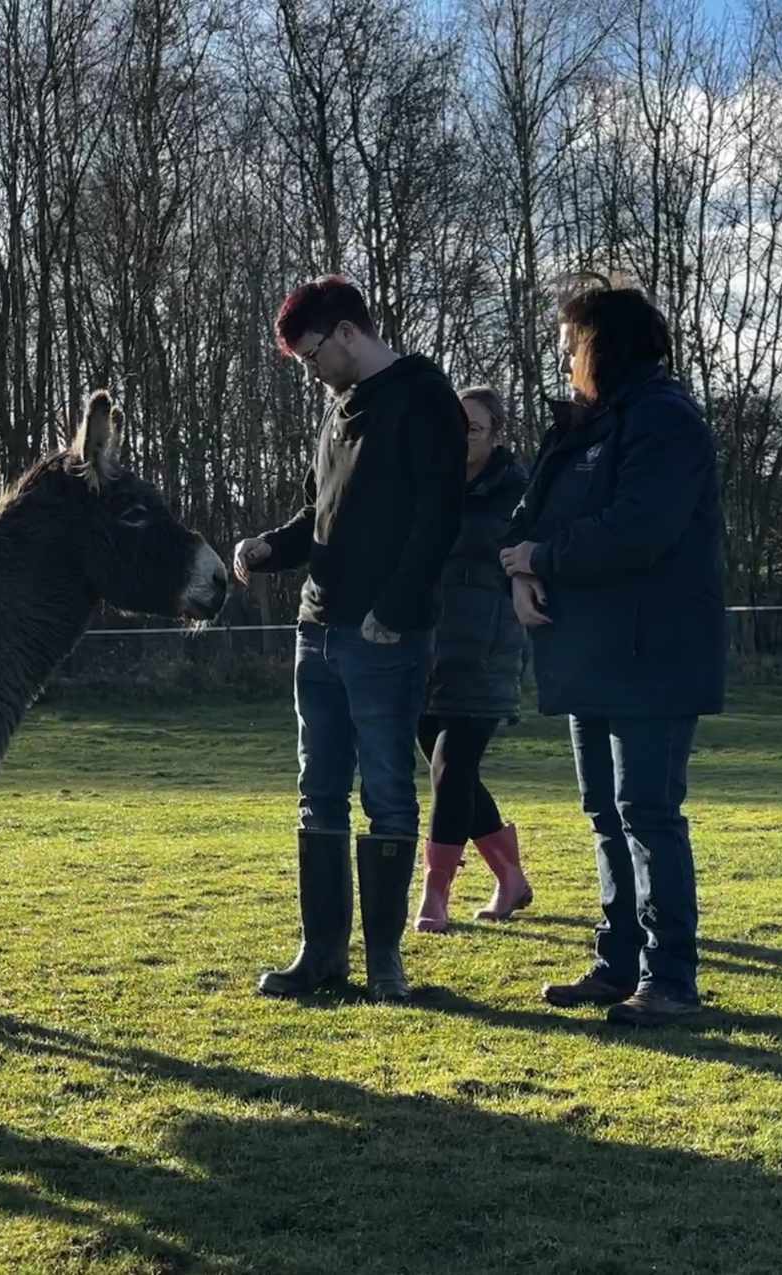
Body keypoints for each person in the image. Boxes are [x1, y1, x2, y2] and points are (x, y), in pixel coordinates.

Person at [233, 275, 466, 1003]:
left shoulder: (425, 395)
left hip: (385, 637)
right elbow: (319, 515)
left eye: (311, 357)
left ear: (345, 332)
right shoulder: (337, 412)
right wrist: (269, 547)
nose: (312, 373)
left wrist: (394, 610)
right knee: (318, 793)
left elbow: (439, 516)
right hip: (318, 631)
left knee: (390, 793)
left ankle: (385, 961)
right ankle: (321, 955)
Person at [499, 284, 725, 1026]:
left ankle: (672, 979)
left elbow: (637, 530)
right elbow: (527, 520)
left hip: (651, 653)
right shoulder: (588, 426)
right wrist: (525, 569)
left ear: (601, 342)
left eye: (571, 343)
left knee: (648, 811)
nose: (564, 358)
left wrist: (540, 556)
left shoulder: (665, 421)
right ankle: (617, 960)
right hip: (591, 651)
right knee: (606, 811)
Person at [413, 386, 532, 933]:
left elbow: (535, 562)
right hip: (423, 650)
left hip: (486, 652)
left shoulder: (519, 492)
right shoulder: (424, 482)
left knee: (451, 766)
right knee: (449, 776)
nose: (462, 437)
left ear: (497, 433)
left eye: (475, 428)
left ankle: (434, 895)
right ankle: (510, 877)